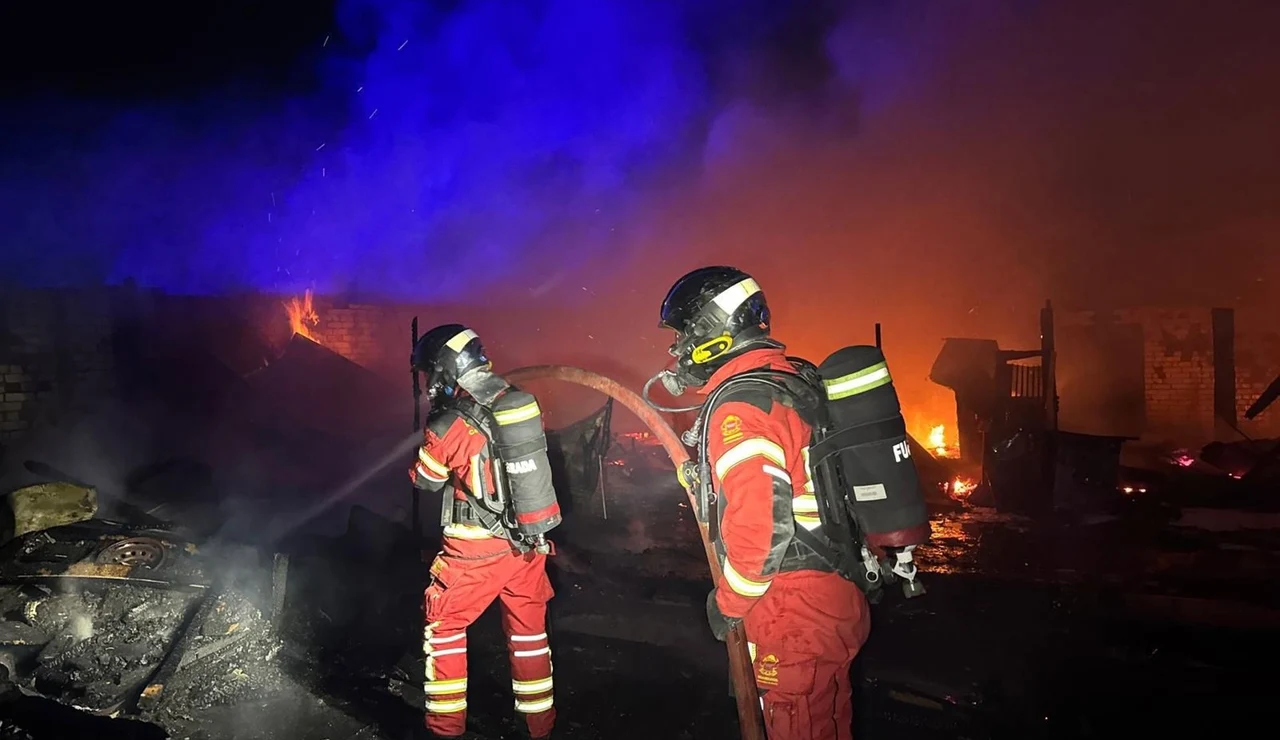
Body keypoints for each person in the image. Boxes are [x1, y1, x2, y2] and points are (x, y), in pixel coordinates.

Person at [653, 266, 871, 739]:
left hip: (790, 608)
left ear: (712, 332)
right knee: (829, 722)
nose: (676, 351)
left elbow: (761, 532)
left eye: (682, 336)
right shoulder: (788, 382)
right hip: (835, 591)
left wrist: (729, 603)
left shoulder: (741, 407)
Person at [408, 323, 559, 740]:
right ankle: (538, 726)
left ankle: (445, 730)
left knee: (444, 629)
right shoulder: (515, 402)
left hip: (474, 552)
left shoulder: (447, 424)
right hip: (527, 545)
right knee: (529, 634)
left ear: (443, 370)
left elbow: (426, 479)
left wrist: (429, 435)